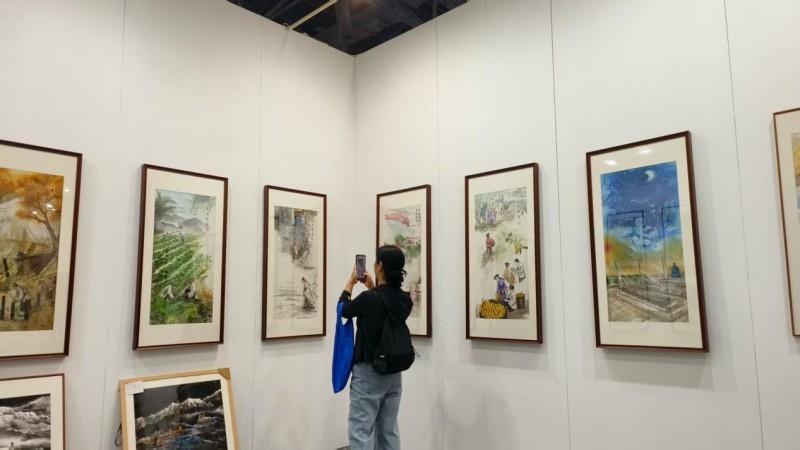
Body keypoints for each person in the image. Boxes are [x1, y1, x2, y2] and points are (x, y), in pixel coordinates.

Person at [339, 245, 412, 450]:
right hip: (394, 374)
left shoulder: (369, 299)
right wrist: (373, 287)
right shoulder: (404, 299)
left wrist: (351, 283)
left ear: (379, 266)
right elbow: (384, 306)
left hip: (369, 373)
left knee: (361, 431)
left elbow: (343, 310)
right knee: (388, 430)